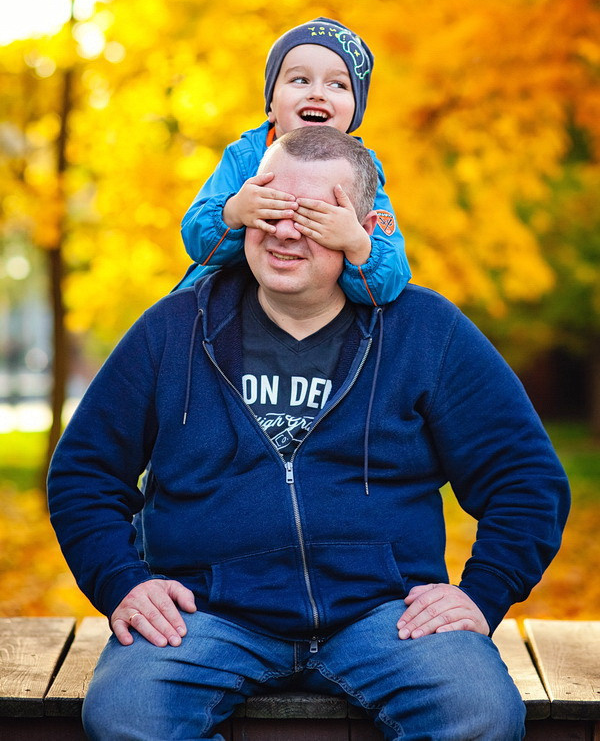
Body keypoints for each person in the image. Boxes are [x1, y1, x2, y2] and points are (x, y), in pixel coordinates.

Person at [48, 126, 570, 741]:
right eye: (271, 205)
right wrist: (123, 584)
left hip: (386, 619)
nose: (286, 231)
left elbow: (526, 478)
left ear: (368, 228)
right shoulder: (173, 330)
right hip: (207, 616)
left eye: (317, 213)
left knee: (479, 713)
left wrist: (482, 595)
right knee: (126, 711)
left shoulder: (425, 331)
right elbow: (84, 472)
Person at [175, 16, 411, 305]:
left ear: (354, 114)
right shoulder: (246, 155)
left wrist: (356, 242)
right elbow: (195, 237)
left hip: (317, 314)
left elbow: (392, 276)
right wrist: (234, 212)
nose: (317, 93)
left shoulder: (363, 171)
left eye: (337, 84)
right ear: (271, 106)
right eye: (300, 80)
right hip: (227, 305)